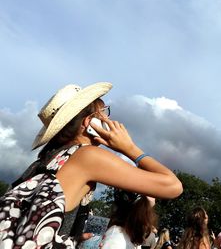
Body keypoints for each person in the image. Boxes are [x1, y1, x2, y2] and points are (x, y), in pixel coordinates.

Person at [0, 82, 183, 248]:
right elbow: (172, 186)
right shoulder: (87, 156)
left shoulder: (43, 163)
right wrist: (130, 148)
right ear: (89, 123)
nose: (108, 119)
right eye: (104, 112)